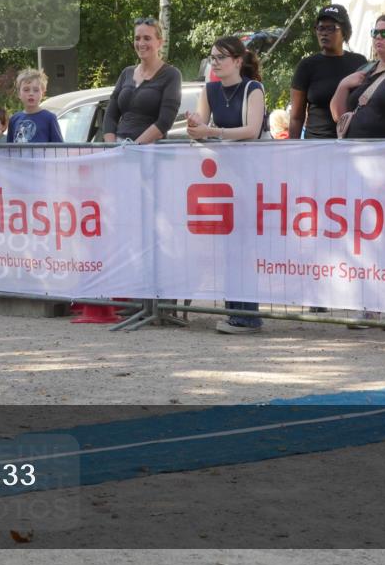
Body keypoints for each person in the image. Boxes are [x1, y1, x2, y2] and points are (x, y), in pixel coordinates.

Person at [186, 36, 266, 335]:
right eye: (212, 57)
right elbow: (199, 132)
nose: (215, 62)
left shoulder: (252, 89)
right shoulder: (209, 90)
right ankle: (237, 312)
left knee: (244, 247)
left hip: (250, 175)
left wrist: (210, 131)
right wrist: (195, 125)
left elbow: (251, 130)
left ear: (237, 60)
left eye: (221, 57)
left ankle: (247, 315)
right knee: (230, 246)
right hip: (224, 179)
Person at [288, 5, 367, 139]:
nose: (324, 33)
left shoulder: (359, 63)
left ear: (345, 33)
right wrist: (292, 153)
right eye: (320, 28)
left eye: (331, 28)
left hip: (351, 142)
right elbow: (296, 117)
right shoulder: (306, 65)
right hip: (316, 146)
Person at [102, 17, 182, 143]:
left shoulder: (171, 75)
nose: (141, 43)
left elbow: (165, 121)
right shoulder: (126, 72)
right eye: (137, 38)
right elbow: (110, 115)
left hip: (149, 153)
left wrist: (134, 147)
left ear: (160, 43)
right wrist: (111, 148)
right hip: (119, 150)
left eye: (147, 38)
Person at [7, 69, 63, 143]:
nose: (31, 93)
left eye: (36, 90)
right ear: (19, 94)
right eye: (26, 90)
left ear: (42, 94)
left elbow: (58, 148)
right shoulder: (14, 119)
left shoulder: (49, 118)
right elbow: (9, 149)